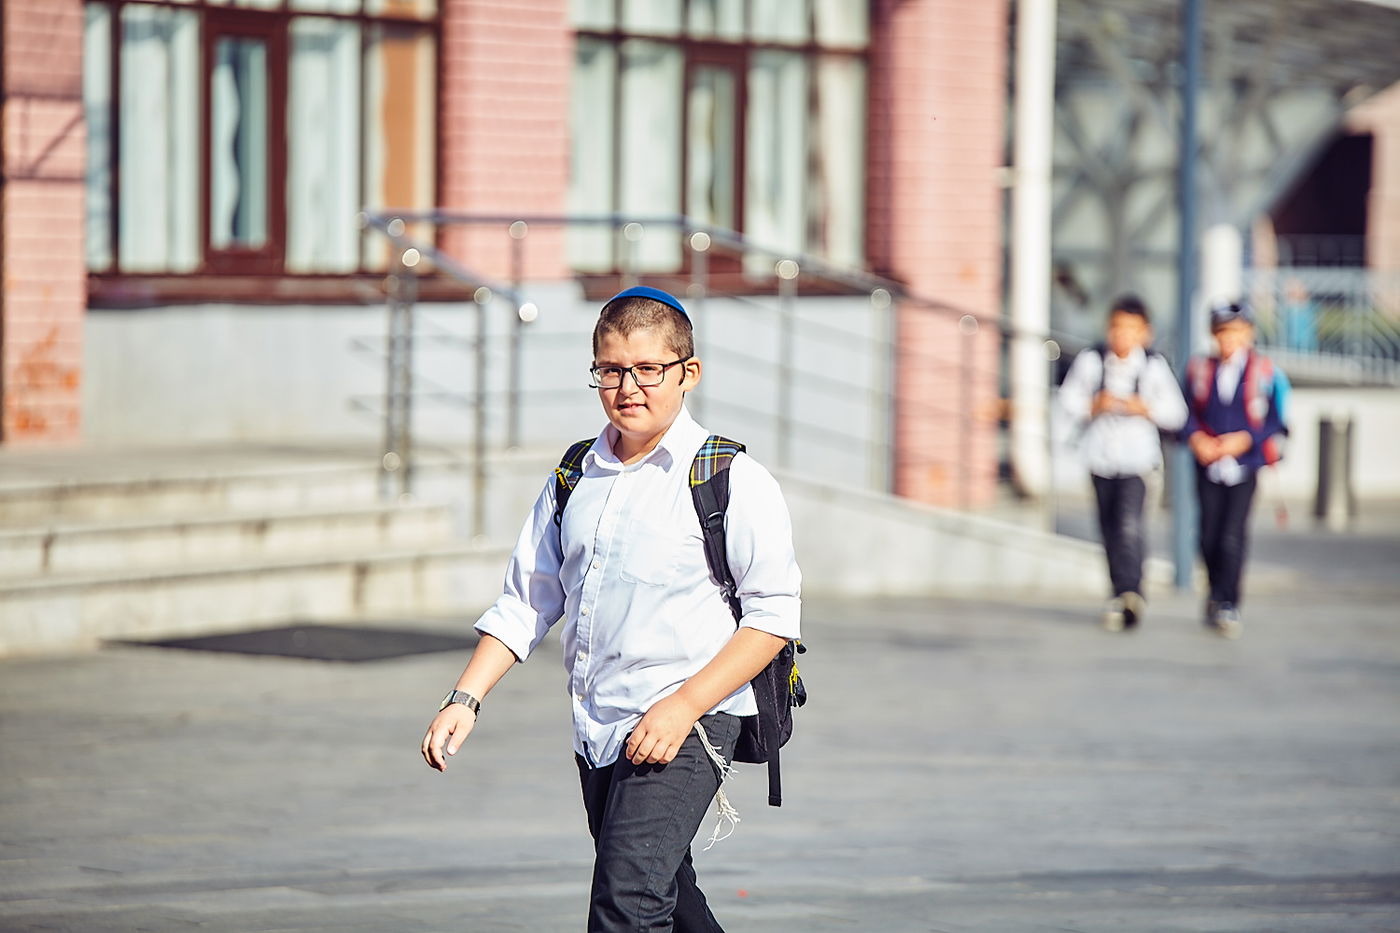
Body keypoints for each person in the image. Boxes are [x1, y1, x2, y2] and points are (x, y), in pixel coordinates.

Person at [420, 285, 802, 932]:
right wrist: (465, 698)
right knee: (667, 896)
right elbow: (528, 599)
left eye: (648, 368)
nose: (628, 387)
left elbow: (772, 617)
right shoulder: (575, 475)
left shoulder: (730, 478)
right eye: (611, 370)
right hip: (599, 726)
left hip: (689, 721)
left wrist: (683, 705)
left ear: (688, 372)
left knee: (627, 905)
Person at [1058, 294, 1188, 632]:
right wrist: (1093, 405)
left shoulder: (1153, 366)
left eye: (1131, 329)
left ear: (1145, 333)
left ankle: (1131, 592)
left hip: (1138, 462)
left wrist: (1145, 408)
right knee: (1109, 528)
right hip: (1100, 459)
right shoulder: (1091, 360)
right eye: (1117, 327)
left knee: (1130, 526)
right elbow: (1067, 400)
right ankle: (1118, 592)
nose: (1123, 336)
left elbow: (1177, 414)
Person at [1183, 300, 1289, 639]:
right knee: (1208, 535)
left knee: (1232, 535)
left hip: (1245, 466)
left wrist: (1245, 440)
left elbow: (1276, 421)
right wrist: (1198, 439)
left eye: (1237, 332)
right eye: (1223, 332)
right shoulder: (1200, 370)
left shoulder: (1264, 373)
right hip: (1208, 465)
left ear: (1249, 334)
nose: (1229, 339)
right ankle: (1215, 591)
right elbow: (1185, 413)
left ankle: (1229, 601)